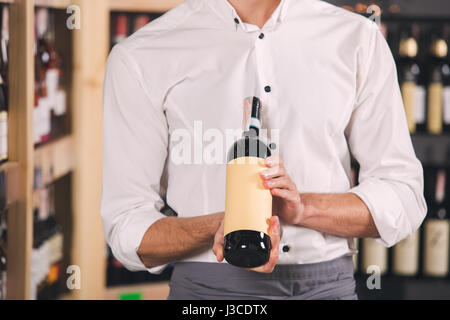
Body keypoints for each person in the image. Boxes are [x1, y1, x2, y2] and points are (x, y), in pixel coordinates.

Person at [101, 0, 427, 300]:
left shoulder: (357, 39)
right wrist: (222, 226)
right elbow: (127, 226)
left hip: (326, 290)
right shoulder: (143, 54)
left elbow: (402, 195)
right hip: (205, 295)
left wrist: (302, 210)